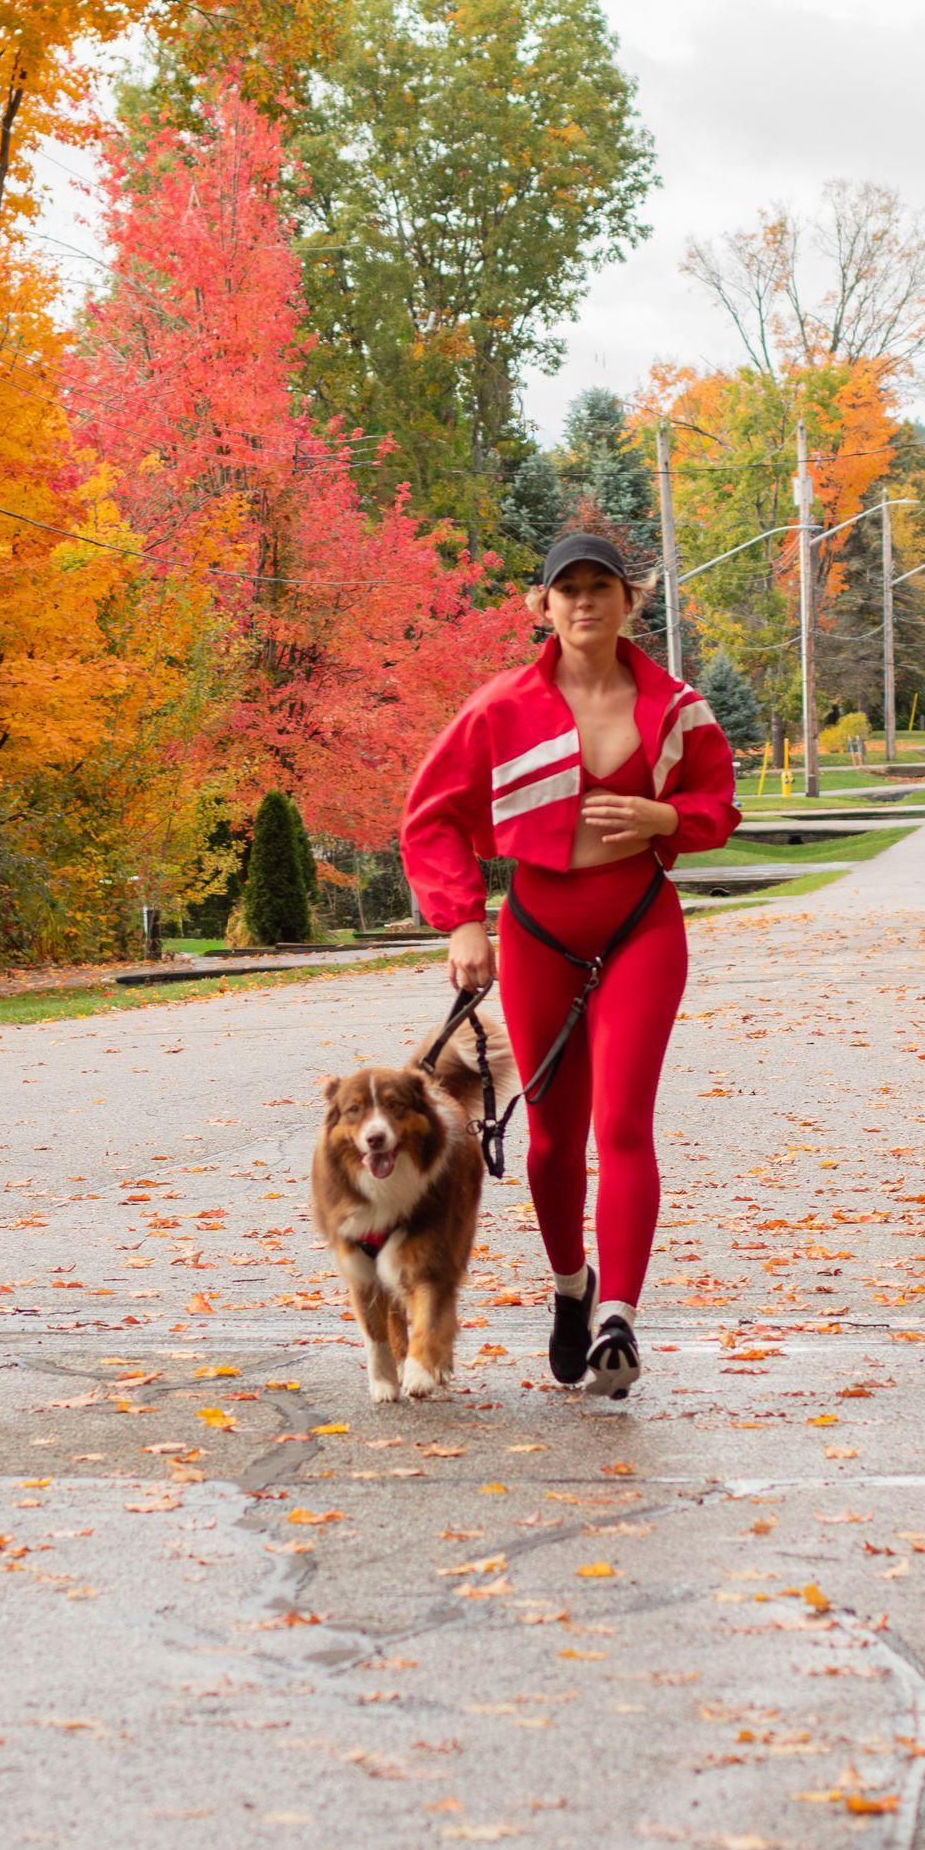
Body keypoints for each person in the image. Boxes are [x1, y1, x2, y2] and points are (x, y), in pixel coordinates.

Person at [400, 531, 741, 1395]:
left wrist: (670, 823)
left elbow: (716, 802)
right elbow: (430, 817)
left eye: (602, 587)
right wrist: (461, 923)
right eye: (568, 589)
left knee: (624, 1125)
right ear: (541, 607)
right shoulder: (500, 706)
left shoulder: (675, 705)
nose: (584, 601)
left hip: (639, 925)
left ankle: (619, 1316)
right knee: (553, 1138)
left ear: (631, 600)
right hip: (538, 931)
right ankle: (570, 1290)